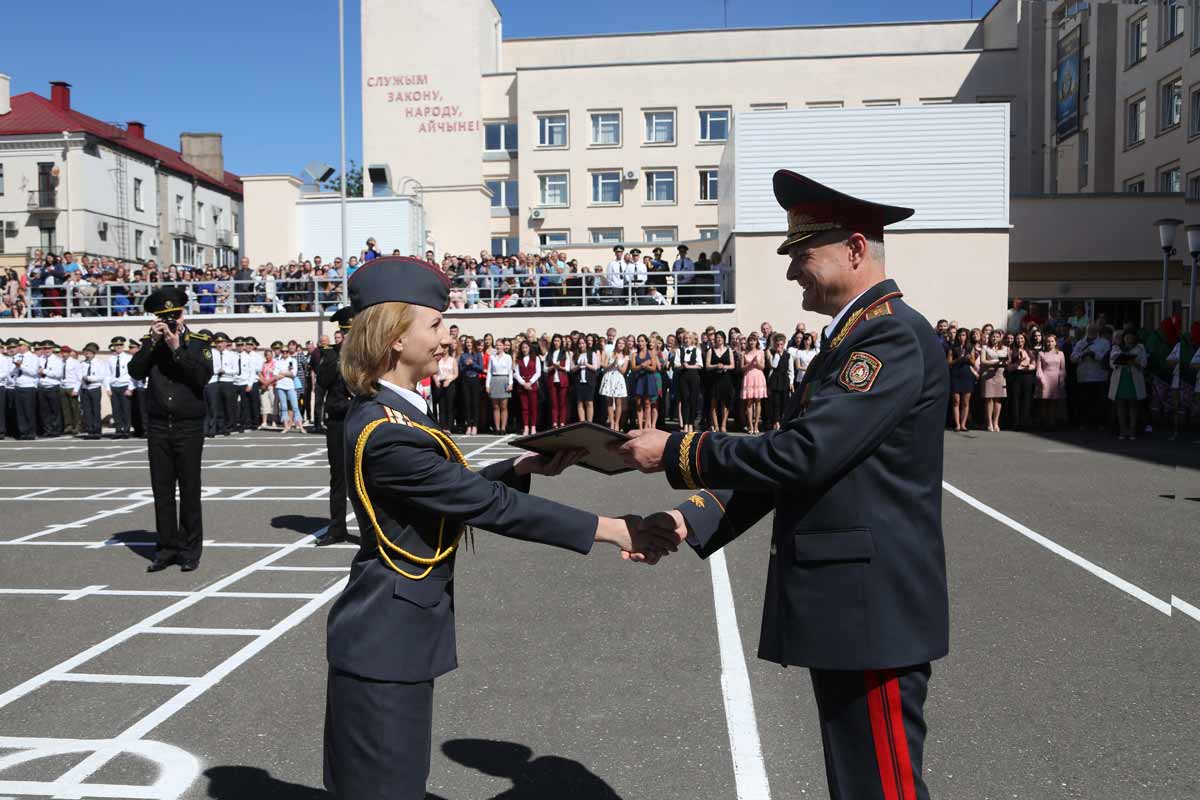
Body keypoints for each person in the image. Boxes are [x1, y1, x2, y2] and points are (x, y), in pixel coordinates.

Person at [618, 169, 950, 800]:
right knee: (858, 779)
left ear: (855, 250)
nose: (794, 270)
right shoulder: (852, 338)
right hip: (854, 602)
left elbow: (804, 453)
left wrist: (679, 449)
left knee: (880, 786)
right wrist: (693, 515)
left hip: (870, 605)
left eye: (805, 255)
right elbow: (792, 462)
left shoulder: (887, 336)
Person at [321, 256, 675, 800]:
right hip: (384, 639)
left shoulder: (396, 409)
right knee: (385, 787)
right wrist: (613, 529)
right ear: (394, 336)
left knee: (395, 782)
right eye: (435, 324)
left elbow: (443, 489)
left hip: (393, 633)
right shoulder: (387, 428)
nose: (448, 337)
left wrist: (520, 467)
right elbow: (484, 505)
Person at [128, 287, 213, 573]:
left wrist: (177, 347)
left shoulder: (199, 341)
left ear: (182, 314)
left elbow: (201, 377)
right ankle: (166, 548)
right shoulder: (150, 344)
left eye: (173, 316)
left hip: (188, 426)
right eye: (163, 318)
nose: (169, 322)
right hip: (158, 425)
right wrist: (152, 343)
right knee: (162, 491)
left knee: (189, 490)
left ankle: (190, 550)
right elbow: (135, 371)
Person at [316, 307, 355, 548]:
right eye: (346, 332)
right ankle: (337, 528)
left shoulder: (368, 354)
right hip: (339, 420)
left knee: (367, 477)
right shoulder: (332, 356)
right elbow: (322, 384)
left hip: (362, 419)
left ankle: (372, 532)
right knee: (339, 478)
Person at [1109, 329, 1148, 440]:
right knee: (1121, 406)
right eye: (1126, 337)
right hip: (1120, 379)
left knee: (1133, 406)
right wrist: (1122, 360)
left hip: (1133, 379)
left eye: (1131, 337)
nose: (1128, 339)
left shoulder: (1140, 348)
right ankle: (1122, 430)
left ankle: (1132, 430)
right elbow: (1111, 363)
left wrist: (1135, 362)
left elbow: (1144, 363)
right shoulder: (1116, 348)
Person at [947, 327, 977, 432]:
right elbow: (949, 363)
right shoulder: (952, 347)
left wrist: (969, 359)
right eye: (959, 335)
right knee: (956, 401)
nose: (961, 337)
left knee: (965, 402)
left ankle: (963, 424)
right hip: (955, 374)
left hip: (966, 375)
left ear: (966, 336)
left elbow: (974, 363)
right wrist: (959, 359)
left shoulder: (970, 347)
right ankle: (957, 425)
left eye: (963, 335)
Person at [1036, 332, 1067, 431]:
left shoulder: (1060, 353)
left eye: (1052, 341)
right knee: (1044, 403)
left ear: (1055, 342)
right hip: (1045, 379)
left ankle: (1052, 423)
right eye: (1048, 341)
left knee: (1054, 403)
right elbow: (1039, 369)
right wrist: (1042, 380)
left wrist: (1061, 381)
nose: (1050, 343)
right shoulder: (1041, 353)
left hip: (1056, 380)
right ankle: (1044, 423)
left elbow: (1062, 369)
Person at [705, 331, 735, 433]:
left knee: (725, 403)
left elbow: (732, 365)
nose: (719, 339)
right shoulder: (711, 351)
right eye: (717, 337)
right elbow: (707, 366)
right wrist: (716, 366)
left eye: (721, 337)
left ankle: (723, 424)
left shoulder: (729, 350)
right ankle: (716, 425)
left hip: (725, 379)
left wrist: (725, 366)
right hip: (714, 379)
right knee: (714, 403)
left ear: (724, 339)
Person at [979, 329, 1008, 432]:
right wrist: (994, 363)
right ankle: (989, 423)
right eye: (993, 336)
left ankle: (996, 422)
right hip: (988, 375)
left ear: (1000, 338)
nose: (994, 338)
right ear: (990, 337)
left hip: (1000, 375)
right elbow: (983, 361)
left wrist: (1005, 363)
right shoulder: (985, 348)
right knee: (989, 399)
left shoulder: (1005, 348)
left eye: (997, 336)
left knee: (998, 399)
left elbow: (1007, 361)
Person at [764, 333, 794, 431]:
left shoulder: (788, 355)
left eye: (781, 344)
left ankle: (782, 421)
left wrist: (791, 382)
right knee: (775, 403)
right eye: (778, 344)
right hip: (775, 380)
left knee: (784, 402)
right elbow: (774, 365)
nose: (779, 346)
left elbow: (791, 370)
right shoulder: (773, 354)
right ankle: (775, 422)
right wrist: (777, 354)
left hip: (784, 380)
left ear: (784, 344)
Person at [107, 337, 135, 439]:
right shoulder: (111, 359)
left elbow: (132, 374)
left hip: (125, 386)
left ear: (123, 346)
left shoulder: (128, 358)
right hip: (114, 386)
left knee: (126, 409)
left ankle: (126, 430)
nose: (118, 347)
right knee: (116, 410)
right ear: (114, 347)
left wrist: (130, 388)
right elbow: (107, 374)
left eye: (120, 345)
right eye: (116, 345)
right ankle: (118, 429)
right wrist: (108, 388)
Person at [600, 337, 629, 431]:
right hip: (609, 377)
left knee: (618, 402)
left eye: (622, 343)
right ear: (616, 344)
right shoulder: (610, 354)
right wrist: (612, 364)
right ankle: (611, 422)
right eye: (619, 343)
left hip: (618, 379)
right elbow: (604, 367)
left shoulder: (626, 356)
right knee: (609, 401)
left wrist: (617, 364)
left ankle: (617, 423)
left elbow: (623, 371)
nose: (620, 345)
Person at [740, 333, 767, 434]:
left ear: (757, 342)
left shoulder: (761, 352)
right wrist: (750, 363)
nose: (752, 342)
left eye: (754, 340)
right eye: (750, 340)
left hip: (759, 377)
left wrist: (757, 363)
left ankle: (756, 425)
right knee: (749, 402)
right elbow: (742, 368)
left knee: (758, 402)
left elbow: (763, 367)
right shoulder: (744, 353)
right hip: (748, 377)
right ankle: (750, 425)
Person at [78, 342, 106, 439]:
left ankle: (97, 430)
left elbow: (101, 376)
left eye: (89, 353)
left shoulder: (99, 363)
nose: (87, 354)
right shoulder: (82, 364)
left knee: (95, 409)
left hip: (94, 388)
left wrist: (89, 378)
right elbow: (78, 375)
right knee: (87, 410)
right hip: (85, 388)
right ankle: (90, 430)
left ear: (94, 353)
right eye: (86, 352)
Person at [513, 339, 541, 437]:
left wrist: (530, 382)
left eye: (526, 347)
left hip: (532, 385)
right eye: (523, 348)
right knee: (525, 408)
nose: (524, 349)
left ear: (529, 348)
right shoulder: (518, 359)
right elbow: (516, 374)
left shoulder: (535, 358)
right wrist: (523, 383)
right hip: (522, 386)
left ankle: (533, 426)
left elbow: (538, 372)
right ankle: (526, 427)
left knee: (533, 407)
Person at [488, 338, 513, 434]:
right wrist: (487, 385)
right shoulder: (492, 357)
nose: (498, 347)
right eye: (497, 345)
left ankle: (503, 428)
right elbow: (490, 371)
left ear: (503, 346)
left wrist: (510, 383)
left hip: (504, 379)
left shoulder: (507, 357)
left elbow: (510, 371)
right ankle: (497, 428)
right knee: (495, 406)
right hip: (494, 380)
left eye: (500, 345)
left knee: (503, 406)